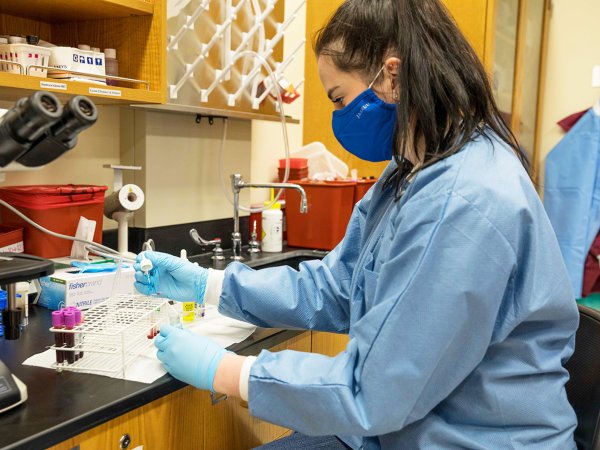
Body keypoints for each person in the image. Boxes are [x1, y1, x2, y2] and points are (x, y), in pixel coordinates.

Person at [134, 0, 579, 448]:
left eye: (339, 98)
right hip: (409, 424)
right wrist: (210, 286)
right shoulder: (412, 170)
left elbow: (375, 391)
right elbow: (339, 287)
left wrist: (227, 371)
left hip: (469, 437)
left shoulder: (463, 199)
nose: (338, 117)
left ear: (392, 75)